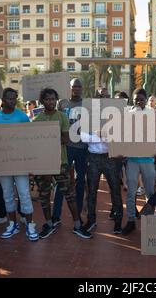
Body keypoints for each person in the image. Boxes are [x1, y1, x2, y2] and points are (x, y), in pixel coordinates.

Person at [34, 88, 91, 239]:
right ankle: (49, 223)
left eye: (53, 99)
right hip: (43, 164)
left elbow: (66, 139)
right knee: (44, 195)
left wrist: (45, 138)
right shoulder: (37, 120)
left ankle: (77, 225)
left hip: (61, 162)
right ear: (42, 101)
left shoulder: (62, 117)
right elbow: (34, 143)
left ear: (56, 100)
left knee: (69, 194)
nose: (50, 102)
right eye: (47, 99)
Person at [0, 88, 38, 242]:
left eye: (14, 98)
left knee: (24, 194)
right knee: (7, 195)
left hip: (20, 164)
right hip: (3, 165)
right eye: (9, 98)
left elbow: (29, 142)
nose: (12, 101)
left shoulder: (22, 117)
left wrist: (31, 164)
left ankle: (30, 224)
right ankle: (12, 224)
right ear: (3, 99)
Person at [52, 78, 88, 227]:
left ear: (82, 88)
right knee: (61, 182)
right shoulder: (62, 103)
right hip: (66, 148)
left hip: (82, 148)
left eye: (79, 86)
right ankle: (56, 215)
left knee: (80, 182)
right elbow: (56, 120)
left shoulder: (87, 104)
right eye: (74, 86)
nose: (76, 89)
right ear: (70, 88)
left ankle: (78, 214)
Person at [80, 113, 124, 234]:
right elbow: (84, 138)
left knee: (115, 189)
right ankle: (91, 220)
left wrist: (101, 136)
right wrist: (102, 136)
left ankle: (118, 221)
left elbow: (115, 139)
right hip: (93, 158)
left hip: (110, 158)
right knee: (91, 190)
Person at [123, 88, 156, 235]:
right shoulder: (127, 115)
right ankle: (131, 220)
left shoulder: (153, 115)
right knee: (131, 192)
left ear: (145, 99)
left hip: (148, 159)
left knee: (149, 191)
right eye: (136, 99)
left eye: (141, 99)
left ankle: (149, 221)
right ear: (133, 99)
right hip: (132, 160)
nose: (139, 101)